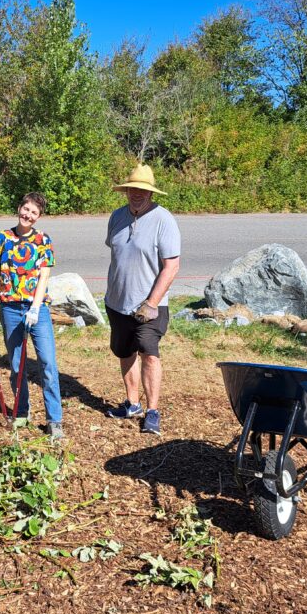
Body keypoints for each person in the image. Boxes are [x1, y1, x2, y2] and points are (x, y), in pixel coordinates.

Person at [0, 192, 63, 439]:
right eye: (26, 209)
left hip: (37, 311)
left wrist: (36, 307)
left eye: (34, 213)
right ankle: (22, 411)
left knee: (47, 363)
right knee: (17, 364)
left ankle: (54, 419)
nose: (28, 215)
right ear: (19, 208)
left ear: (39, 217)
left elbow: (44, 275)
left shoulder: (43, 240)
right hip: (10, 309)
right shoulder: (2, 238)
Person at [104, 164, 181, 435]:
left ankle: (152, 411)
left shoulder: (164, 220)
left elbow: (171, 266)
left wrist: (152, 302)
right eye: (132, 189)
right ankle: (132, 403)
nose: (137, 194)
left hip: (150, 306)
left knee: (149, 354)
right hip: (117, 302)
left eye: (143, 190)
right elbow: (118, 255)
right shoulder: (117, 217)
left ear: (150, 193)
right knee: (125, 352)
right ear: (126, 191)